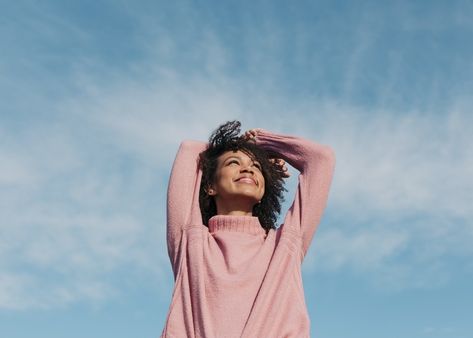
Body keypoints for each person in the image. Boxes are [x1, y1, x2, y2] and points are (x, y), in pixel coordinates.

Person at [161, 121, 336, 338]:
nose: (247, 168)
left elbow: (321, 158)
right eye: (234, 162)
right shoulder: (190, 240)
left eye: (256, 167)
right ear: (210, 186)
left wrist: (263, 143)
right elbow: (190, 149)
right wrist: (237, 145)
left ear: (264, 187)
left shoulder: (285, 245)